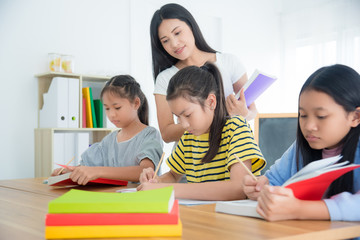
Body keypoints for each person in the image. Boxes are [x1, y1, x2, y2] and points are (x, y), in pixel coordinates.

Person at [243, 64, 360, 222]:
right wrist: (262, 190)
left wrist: (298, 209)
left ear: (355, 117)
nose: (309, 126)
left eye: (321, 116)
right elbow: (274, 181)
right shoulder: (300, 148)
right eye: (303, 115)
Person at [137, 62, 265, 200]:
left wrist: (165, 189)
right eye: (177, 117)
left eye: (187, 115)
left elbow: (239, 188)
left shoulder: (236, 128)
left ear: (211, 102)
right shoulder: (188, 137)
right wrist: (156, 181)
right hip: (202, 214)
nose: (183, 124)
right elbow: (173, 175)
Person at [150, 3, 257, 143]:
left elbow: (253, 112)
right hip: (191, 157)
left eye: (177, 33)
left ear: (191, 26)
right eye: (165, 41)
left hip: (230, 149)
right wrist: (203, 121)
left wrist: (244, 113)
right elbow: (167, 134)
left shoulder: (229, 62)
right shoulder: (165, 79)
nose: (174, 44)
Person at [51, 75, 163, 185]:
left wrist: (98, 171)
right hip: (112, 198)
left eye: (117, 107)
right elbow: (88, 167)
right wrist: (71, 172)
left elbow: (145, 171)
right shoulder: (108, 141)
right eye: (107, 108)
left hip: (140, 200)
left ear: (136, 103)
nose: (111, 114)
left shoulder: (150, 135)